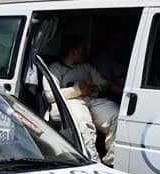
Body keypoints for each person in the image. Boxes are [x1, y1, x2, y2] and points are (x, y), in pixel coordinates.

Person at [48, 34, 120, 165]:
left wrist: (92, 87)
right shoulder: (55, 68)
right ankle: (92, 162)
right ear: (73, 51)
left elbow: (103, 84)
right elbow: (50, 95)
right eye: (82, 49)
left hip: (90, 99)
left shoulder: (86, 67)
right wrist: (77, 90)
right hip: (70, 101)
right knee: (84, 123)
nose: (85, 52)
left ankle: (111, 161)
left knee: (117, 115)